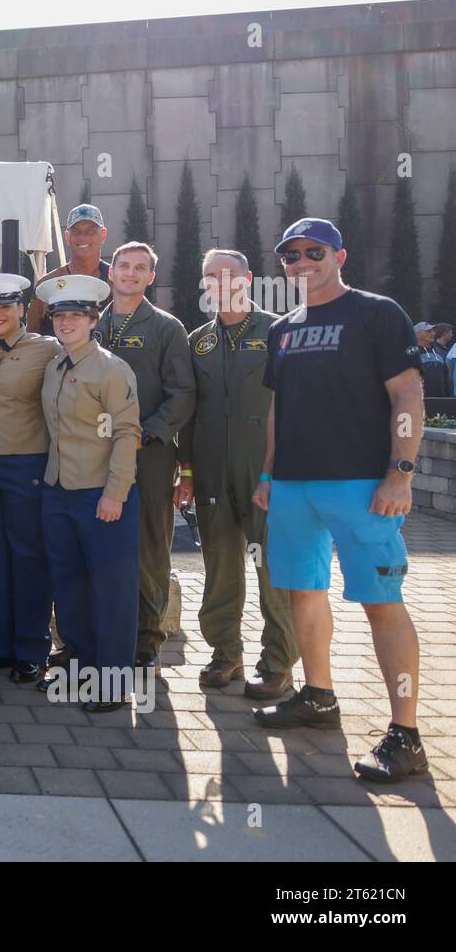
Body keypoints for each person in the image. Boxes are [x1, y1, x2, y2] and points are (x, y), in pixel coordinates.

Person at [253, 218, 428, 783]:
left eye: (313, 251)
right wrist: (268, 473)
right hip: (294, 487)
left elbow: (407, 392)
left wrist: (400, 473)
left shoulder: (378, 313)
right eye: (291, 256)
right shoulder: (282, 329)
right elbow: (278, 409)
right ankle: (319, 697)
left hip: (362, 485)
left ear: (340, 255)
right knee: (303, 593)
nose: (301, 262)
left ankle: (406, 735)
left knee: (381, 601)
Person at [175, 249, 297, 699]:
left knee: (272, 568)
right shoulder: (197, 340)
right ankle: (226, 653)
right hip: (210, 470)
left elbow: (295, 403)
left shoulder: (279, 330)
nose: (219, 282)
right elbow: (187, 413)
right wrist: (184, 471)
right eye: (210, 276)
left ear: (247, 278)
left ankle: (278, 661)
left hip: (266, 470)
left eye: (227, 274)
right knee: (220, 566)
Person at [36, 274, 142, 712]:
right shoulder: (55, 365)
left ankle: (114, 680)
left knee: (112, 589)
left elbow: (126, 433)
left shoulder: (112, 369)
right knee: (70, 584)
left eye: (76, 315)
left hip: (102, 494)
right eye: (60, 315)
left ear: (93, 319)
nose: (66, 323)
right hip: (59, 490)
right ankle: (80, 662)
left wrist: (115, 493)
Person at [94, 242, 195, 674]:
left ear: (151, 277)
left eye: (140, 268)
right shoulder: (89, 323)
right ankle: (104, 633)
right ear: (111, 272)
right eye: (124, 266)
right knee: (100, 544)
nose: (131, 274)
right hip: (94, 453)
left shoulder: (166, 328)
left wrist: (147, 432)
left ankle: (147, 641)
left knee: (149, 545)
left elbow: (183, 392)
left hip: (147, 453)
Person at [0, 272, 61, 683]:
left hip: (26, 464)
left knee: (27, 557)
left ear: (22, 309)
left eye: (5, 306)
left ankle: (31, 648)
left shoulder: (48, 349)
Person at [27, 204, 112, 335]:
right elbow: (32, 336)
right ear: (67, 237)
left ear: (103, 235)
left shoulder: (116, 281)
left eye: (90, 231)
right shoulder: (48, 284)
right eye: (76, 232)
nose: (83, 238)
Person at [415, 321, 452, 398]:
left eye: (432, 331)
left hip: (441, 400)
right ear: (417, 334)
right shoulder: (411, 353)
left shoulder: (439, 351)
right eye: (428, 331)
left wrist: (449, 398)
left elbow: (445, 377)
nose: (433, 333)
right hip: (420, 401)